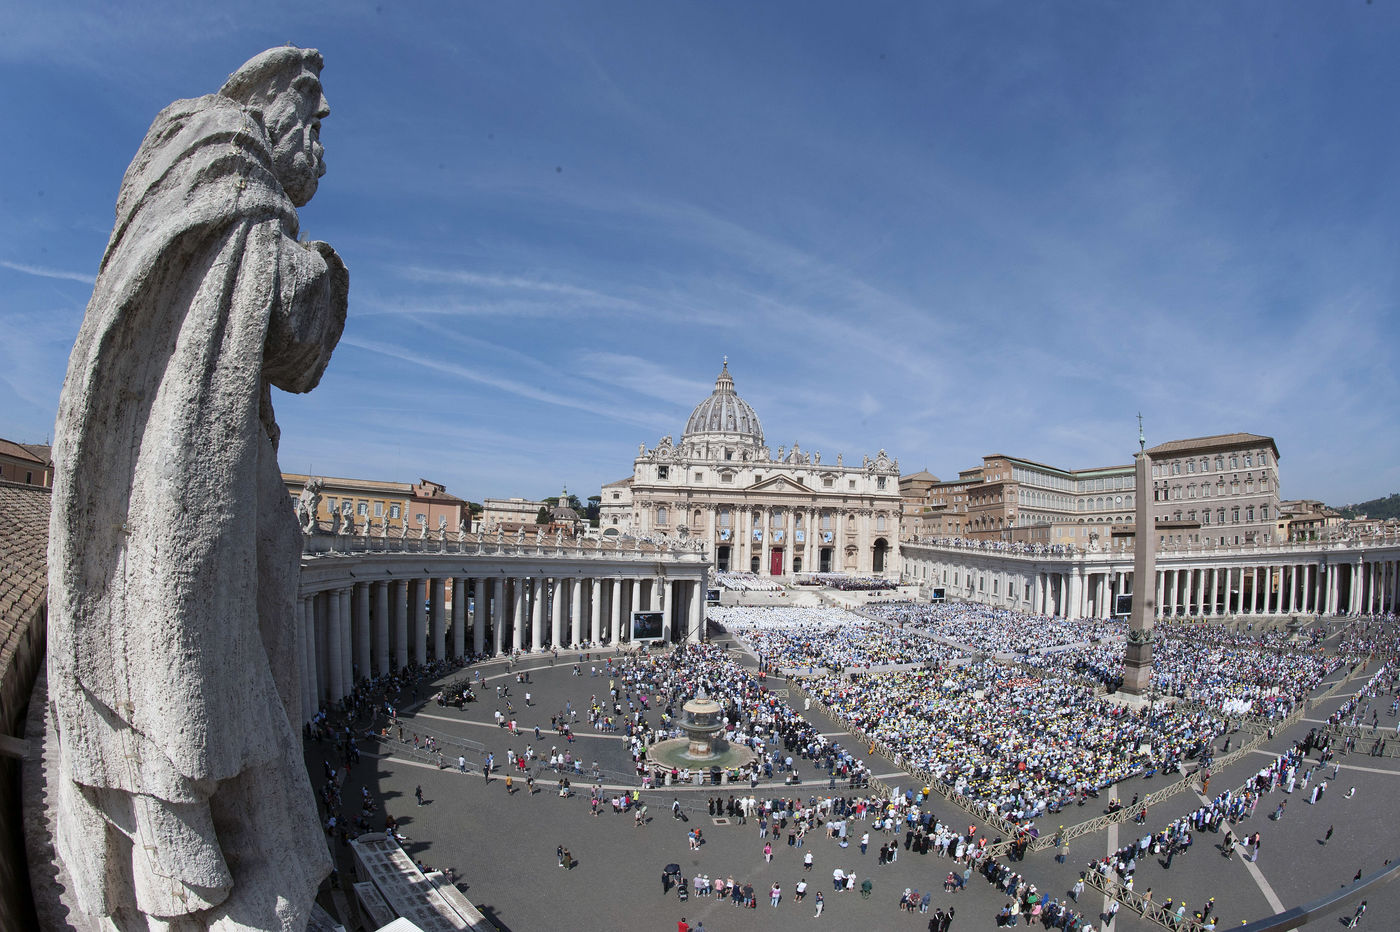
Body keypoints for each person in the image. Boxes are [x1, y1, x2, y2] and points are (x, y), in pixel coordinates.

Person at [47, 44, 345, 931]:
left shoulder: (181, 161)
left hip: (186, 453)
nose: (322, 143)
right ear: (281, 102)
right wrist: (325, 272)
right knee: (198, 648)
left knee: (210, 641)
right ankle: (189, 858)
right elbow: (291, 334)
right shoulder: (232, 164)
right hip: (190, 469)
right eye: (317, 121)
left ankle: (196, 845)